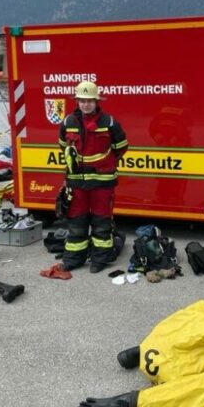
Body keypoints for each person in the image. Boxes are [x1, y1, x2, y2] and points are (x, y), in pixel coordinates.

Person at [58, 80, 128, 273]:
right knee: (76, 221)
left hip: (102, 182)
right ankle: (74, 259)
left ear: (96, 101)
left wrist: (105, 164)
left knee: (101, 222)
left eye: (89, 100)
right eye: (82, 100)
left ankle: (100, 260)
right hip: (77, 182)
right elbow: (64, 147)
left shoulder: (109, 122)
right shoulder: (68, 123)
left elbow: (121, 147)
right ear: (77, 101)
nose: (86, 104)